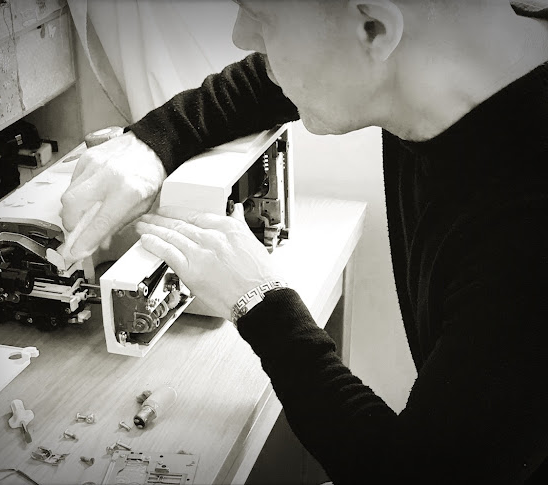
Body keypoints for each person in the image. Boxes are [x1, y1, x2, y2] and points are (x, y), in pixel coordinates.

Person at [61, 1, 548, 482]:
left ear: (375, 28)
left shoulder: (526, 234)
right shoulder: (450, 69)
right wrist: (150, 144)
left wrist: (260, 300)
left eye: (261, 14)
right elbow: (267, 80)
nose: (240, 34)